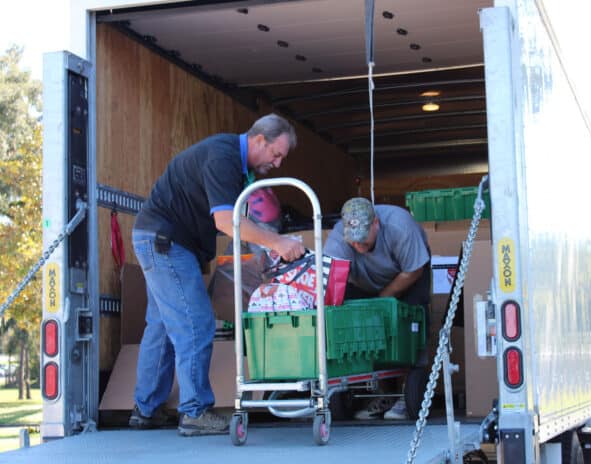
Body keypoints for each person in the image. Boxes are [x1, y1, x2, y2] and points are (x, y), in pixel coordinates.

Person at [128, 114, 305, 436]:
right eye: (276, 154)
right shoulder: (222, 157)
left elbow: (242, 223)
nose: (278, 164)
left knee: (163, 326)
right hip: (167, 243)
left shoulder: (236, 167)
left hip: (159, 239)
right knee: (196, 322)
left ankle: (146, 409)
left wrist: (269, 250)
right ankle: (195, 412)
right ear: (259, 140)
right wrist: (278, 241)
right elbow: (226, 222)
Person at [324, 197, 431, 420]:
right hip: (363, 282)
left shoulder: (400, 227)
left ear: (376, 224)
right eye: (353, 241)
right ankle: (384, 393)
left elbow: (413, 271)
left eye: (363, 240)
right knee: (344, 310)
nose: (358, 246)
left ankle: (411, 388)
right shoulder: (338, 238)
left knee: (413, 321)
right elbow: (331, 280)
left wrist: (383, 298)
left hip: (406, 274)